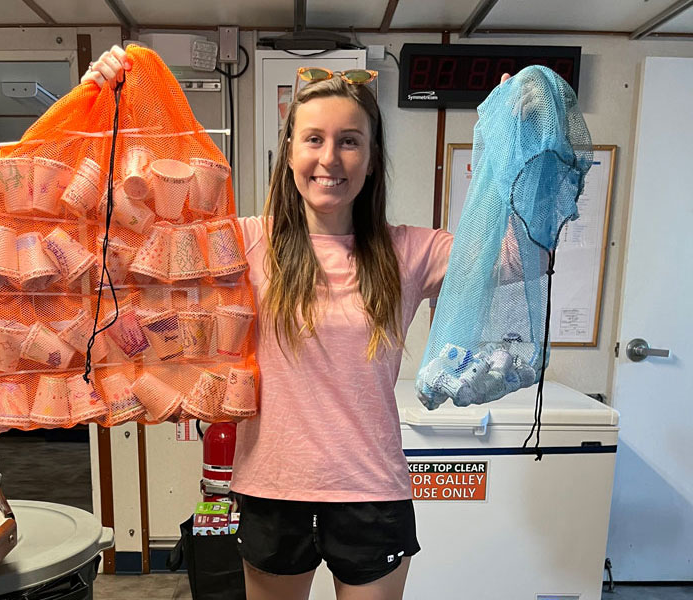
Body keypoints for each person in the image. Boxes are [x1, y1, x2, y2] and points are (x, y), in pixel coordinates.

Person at [83, 45, 509, 600]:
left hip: (371, 492)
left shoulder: (409, 252)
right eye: (314, 139)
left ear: (372, 158)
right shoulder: (245, 242)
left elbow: (512, 258)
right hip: (271, 488)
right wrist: (112, 111)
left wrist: (505, 147)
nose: (329, 158)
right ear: (289, 152)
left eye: (349, 141)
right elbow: (129, 239)